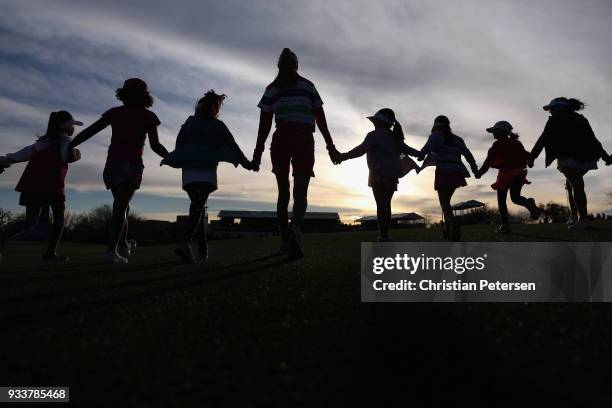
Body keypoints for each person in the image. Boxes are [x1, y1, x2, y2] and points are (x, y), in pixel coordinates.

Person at [68, 78, 170, 263]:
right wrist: (171, 157)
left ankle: (122, 244)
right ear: (145, 96)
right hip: (130, 164)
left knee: (121, 205)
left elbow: (90, 131)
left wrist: (70, 145)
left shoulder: (115, 113)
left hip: (112, 165)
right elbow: (155, 146)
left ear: (123, 94)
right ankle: (111, 250)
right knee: (120, 206)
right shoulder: (148, 116)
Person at [251, 48, 340, 259]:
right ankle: (296, 229)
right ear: (296, 65)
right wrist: (331, 147)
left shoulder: (272, 89)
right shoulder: (308, 86)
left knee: (283, 194)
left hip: (280, 138)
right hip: (303, 140)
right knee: (301, 192)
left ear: (279, 66)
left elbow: (264, 125)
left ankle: (284, 241)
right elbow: (321, 119)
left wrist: (257, 152)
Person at [162, 90, 253, 263]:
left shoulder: (188, 123)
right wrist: (247, 163)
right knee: (198, 206)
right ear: (214, 108)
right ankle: (185, 241)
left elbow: (179, 144)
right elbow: (233, 146)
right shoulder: (218, 126)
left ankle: (202, 248)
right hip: (206, 173)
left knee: (198, 207)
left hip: (189, 174)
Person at [0, 111, 82, 261]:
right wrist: (76, 152)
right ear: (67, 127)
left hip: (33, 185)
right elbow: (69, 156)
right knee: (58, 220)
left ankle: (3, 234)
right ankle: (50, 254)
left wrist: (5, 160)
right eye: (71, 126)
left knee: (30, 221)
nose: (73, 129)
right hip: (51, 186)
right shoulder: (65, 142)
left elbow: (21, 154)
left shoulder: (40, 144)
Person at [335, 109, 423, 241]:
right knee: (386, 204)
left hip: (378, 174)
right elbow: (405, 151)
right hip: (392, 176)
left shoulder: (373, 136)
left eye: (375, 121)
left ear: (380, 122)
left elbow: (360, 150)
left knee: (381, 205)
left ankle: (383, 235)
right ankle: (385, 234)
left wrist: (343, 156)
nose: (373, 123)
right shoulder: (395, 138)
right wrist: (420, 155)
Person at [530, 97, 612, 230]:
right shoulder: (581, 119)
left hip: (568, 157)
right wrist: (606, 157)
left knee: (577, 186)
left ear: (560, 108)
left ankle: (583, 220)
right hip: (585, 157)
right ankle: (574, 216)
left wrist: (532, 157)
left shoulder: (555, 120)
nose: (550, 112)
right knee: (571, 185)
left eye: (552, 109)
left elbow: (542, 139)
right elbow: (593, 139)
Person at [420, 115, 479, 241]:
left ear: (435, 126)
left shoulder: (435, 136)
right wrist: (475, 170)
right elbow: (468, 155)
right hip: (457, 172)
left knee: (444, 202)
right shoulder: (458, 139)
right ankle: (447, 230)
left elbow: (427, 148)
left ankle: (452, 223)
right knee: (446, 201)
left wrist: (421, 155)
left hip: (444, 171)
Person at [477, 121, 541, 233]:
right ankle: (528, 203)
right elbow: (526, 154)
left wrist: (480, 173)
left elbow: (489, 160)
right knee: (515, 198)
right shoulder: (516, 143)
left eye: (494, 131)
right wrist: (530, 162)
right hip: (519, 173)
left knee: (501, 200)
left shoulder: (497, 144)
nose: (493, 134)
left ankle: (505, 226)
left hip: (506, 174)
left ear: (501, 132)